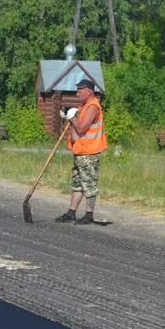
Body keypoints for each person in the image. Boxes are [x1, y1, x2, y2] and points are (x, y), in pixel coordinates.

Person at [55, 78, 107, 225]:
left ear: (89, 91)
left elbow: (82, 128)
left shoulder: (92, 107)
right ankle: (71, 212)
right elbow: (76, 131)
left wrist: (73, 119)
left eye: (80, 90)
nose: (77, 93)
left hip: (90, 153)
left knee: (89, 184)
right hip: (80, 151)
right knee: (77, 183)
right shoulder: (83, 106)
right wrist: (69, 119)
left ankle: (89, 214)